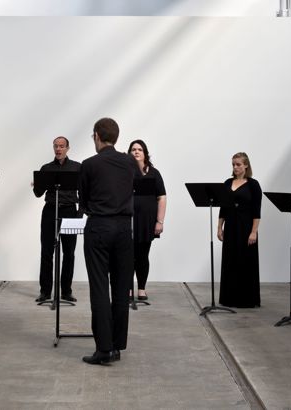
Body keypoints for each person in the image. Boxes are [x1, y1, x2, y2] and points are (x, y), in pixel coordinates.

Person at [79, 118, 139, 365]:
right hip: (125, 229)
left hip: (99, 228)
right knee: (121, 288)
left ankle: (103, 349)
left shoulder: (89, 164)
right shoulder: (130, 162)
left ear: (96, 136)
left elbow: (83, 202)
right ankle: (116, 346)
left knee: (100, 288)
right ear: (115, 136)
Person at [33, 136, 81, 303]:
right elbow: (38, 194)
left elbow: (84, 192)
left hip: (69, 211)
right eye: (56, 146)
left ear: (68, 148)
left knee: (69, 253)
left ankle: (66, 291)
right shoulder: (46, 168)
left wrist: (79, 214)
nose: (58, 149)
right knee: (46, 252)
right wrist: (37, 184)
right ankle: (45, 291)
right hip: (50, 211)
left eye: (61, 146)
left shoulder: (77, 167)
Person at [216, 152, 262, 308]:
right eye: (233, 164)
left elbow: (257, 210)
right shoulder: (227, 183)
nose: (235, 167)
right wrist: (219, 227)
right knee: (230, 261)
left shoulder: (253, 184)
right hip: (230, 227)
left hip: (246, 227)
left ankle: (246, 299)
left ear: (246, 165)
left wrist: (254, 231)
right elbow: (223, 208)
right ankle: (229, 298)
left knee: (245, 261)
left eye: (238, 164)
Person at [128, 139, 167, 300]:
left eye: (140, 149)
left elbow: (162, 198)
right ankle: (128, 288)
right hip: (128, 221)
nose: (136, 152)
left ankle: (142, 289)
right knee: (128, 256)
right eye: (133, 149)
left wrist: (160, 221)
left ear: (145, 153)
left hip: (147, 221)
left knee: (143, 255)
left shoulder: (154, 173)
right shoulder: (126, 172)